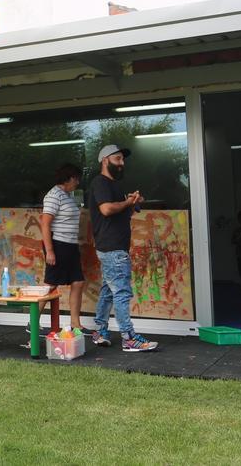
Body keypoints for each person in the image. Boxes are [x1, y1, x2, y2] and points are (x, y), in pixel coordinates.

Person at [86, 144, 158, 352]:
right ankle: (129, 337)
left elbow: (120, 214)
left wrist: (133, 203)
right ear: (105, 160)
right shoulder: (100, 183)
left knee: (109, 290)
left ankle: (100, 331)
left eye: (123, 159)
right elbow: (107, 210)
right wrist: (126, 203)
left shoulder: (114, 185)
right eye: (118, 159)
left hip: (112, 245)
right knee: (122, 292)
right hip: (112, 247)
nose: (122, 163)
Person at [41, 163, 87, 332]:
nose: (78, 182)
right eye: (77, 179)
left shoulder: (68, 195)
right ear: (69, 178)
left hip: (70, 245)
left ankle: (75, 323)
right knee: (51, 285)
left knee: (78, 282)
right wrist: (50, 251)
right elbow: (45, 224)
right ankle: (33, 321)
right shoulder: (54, 195)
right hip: (58, 244)